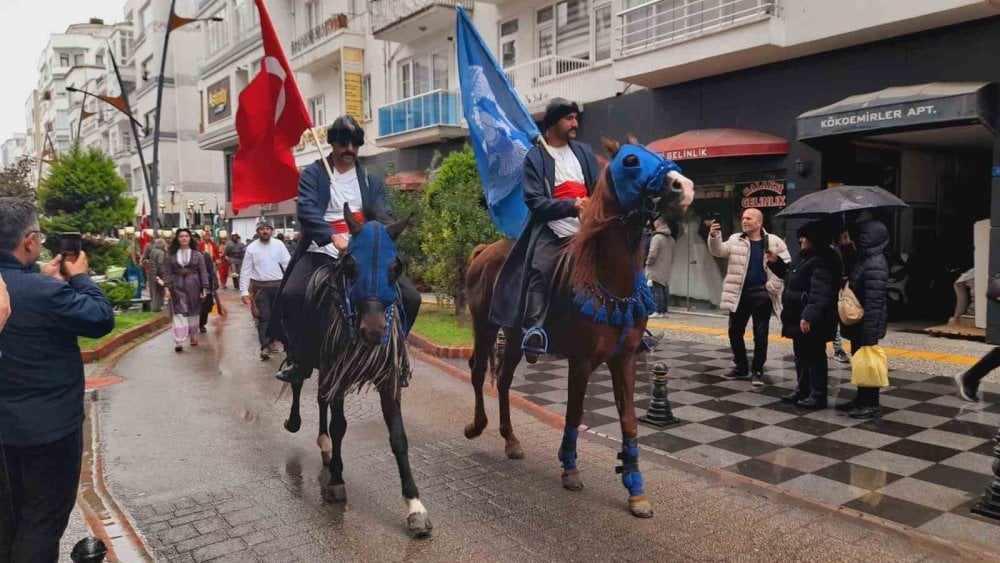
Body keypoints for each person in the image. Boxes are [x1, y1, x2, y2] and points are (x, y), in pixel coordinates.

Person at [0, 197, 114, 561]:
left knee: (9, 522)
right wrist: (79, 277)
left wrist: (42, 280)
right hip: (49, 430)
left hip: (7, 431)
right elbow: (100, 318)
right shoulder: (46, 292)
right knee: (42, 522)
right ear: (30, 240)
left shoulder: (31, 287)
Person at [271, 115, 422, 383]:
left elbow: (383, 213)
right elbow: (306, 211)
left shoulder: (369, 180)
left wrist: (383, 233)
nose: (349, 149)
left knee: (411, 297)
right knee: (292, 294)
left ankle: (397, 354)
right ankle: (299, 358)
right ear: (332, 144)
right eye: (343, 143)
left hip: (362, 253)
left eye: (354, 143)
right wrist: (332, 236)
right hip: (322, 250)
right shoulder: (314, 175)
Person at [490, 98, 602, 363]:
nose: (575, 124)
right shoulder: (536, 157)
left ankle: (632, 324)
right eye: (569, 119)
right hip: (552, 228)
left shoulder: (584, 152)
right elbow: (535, 201)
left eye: (576, 118)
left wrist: (594, 206)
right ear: (552, 124)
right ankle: (534, 329)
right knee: (541, 268)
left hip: (587, 228)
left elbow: (597, 187)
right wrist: (571, 205)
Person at [708, 208, 790, 386]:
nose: (744, 221)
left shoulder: (774, 242)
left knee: (761, 334)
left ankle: (758, 370)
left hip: (762, 293)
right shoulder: (735, 239)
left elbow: (786, 267)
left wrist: (772, 287)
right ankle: (741, 367)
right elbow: (719, 251)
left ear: (759, 222)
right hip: (739, 293)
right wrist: (714, 237)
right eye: (743, 217)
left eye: (749, 218)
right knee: (734, 331)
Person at [775, 221, 840, 408]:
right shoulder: (804, 256)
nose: (801, 240)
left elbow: (821, 291)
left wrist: (809, 315)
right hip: (797, 315)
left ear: (815, 239)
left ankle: (818, 394)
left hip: (812, 318)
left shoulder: (825, 259)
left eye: (805, 237)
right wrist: (776, 264)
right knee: (801, 354)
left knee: (815, 355)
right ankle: (802, 389)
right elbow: (792, 277)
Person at [835, 220, 890, 419]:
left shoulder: (876, 264)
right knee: (860, 362)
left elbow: (875, 303)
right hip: (861, 323)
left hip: (868, 325)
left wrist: (870, 335)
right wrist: (845, 246)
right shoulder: (865, 258)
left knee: (868, 363)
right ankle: (861, 398)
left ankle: (871, 403)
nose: (853, 240)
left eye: (856, 237)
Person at [240, 221, 289, 360]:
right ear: (258, 231)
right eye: (262, 229)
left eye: (267, 229)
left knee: (279, 317)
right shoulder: (251, 248)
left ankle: (280, 343)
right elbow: (245, 271)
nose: (265, 231)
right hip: (260, 288)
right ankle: (265, 346)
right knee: (264, 317)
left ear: (272, 231)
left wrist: (291, 285)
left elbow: (287, 265)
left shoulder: (279, 245)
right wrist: (244, 292)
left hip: (279, 287)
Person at [164, 229, 209, 352]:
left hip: (194, 285)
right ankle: (179, 340)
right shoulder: (171, 255)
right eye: (181, 236)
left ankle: (193, 336)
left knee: (193, 311)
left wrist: (204, 289)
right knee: (179, 312)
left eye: (186, 236)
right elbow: (167, 272)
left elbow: (203, 272)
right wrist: (167, 288)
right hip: (177, 285)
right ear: (177, 239)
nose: (184, 238)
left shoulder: (198, 255)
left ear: (190, 239)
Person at [645, 217, 674, 317]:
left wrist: (648, 262)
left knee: (656, 288)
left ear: (658, 224)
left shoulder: (657, 238)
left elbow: (652, 253)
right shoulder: (671, 239)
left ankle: (657, 310)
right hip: (666, 266)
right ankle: (664, 310)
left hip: (656, 266)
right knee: (664, 287)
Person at [193, 233, 220, 333]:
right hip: (191, 285)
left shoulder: (205, 255)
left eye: (196, 240)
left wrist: (213, 284)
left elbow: (211, 271)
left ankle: (201, 324)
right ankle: (193, 325)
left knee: (206, 307)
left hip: (205, 285)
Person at [145, 238, 169, 312]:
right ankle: (156, 307)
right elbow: (160, 264)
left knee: (153, 290)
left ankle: (154, 306)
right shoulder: (161, 253)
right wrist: (162, 275)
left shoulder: (153, 251)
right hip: (158, 273)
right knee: (159, 291)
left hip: (151, 272)